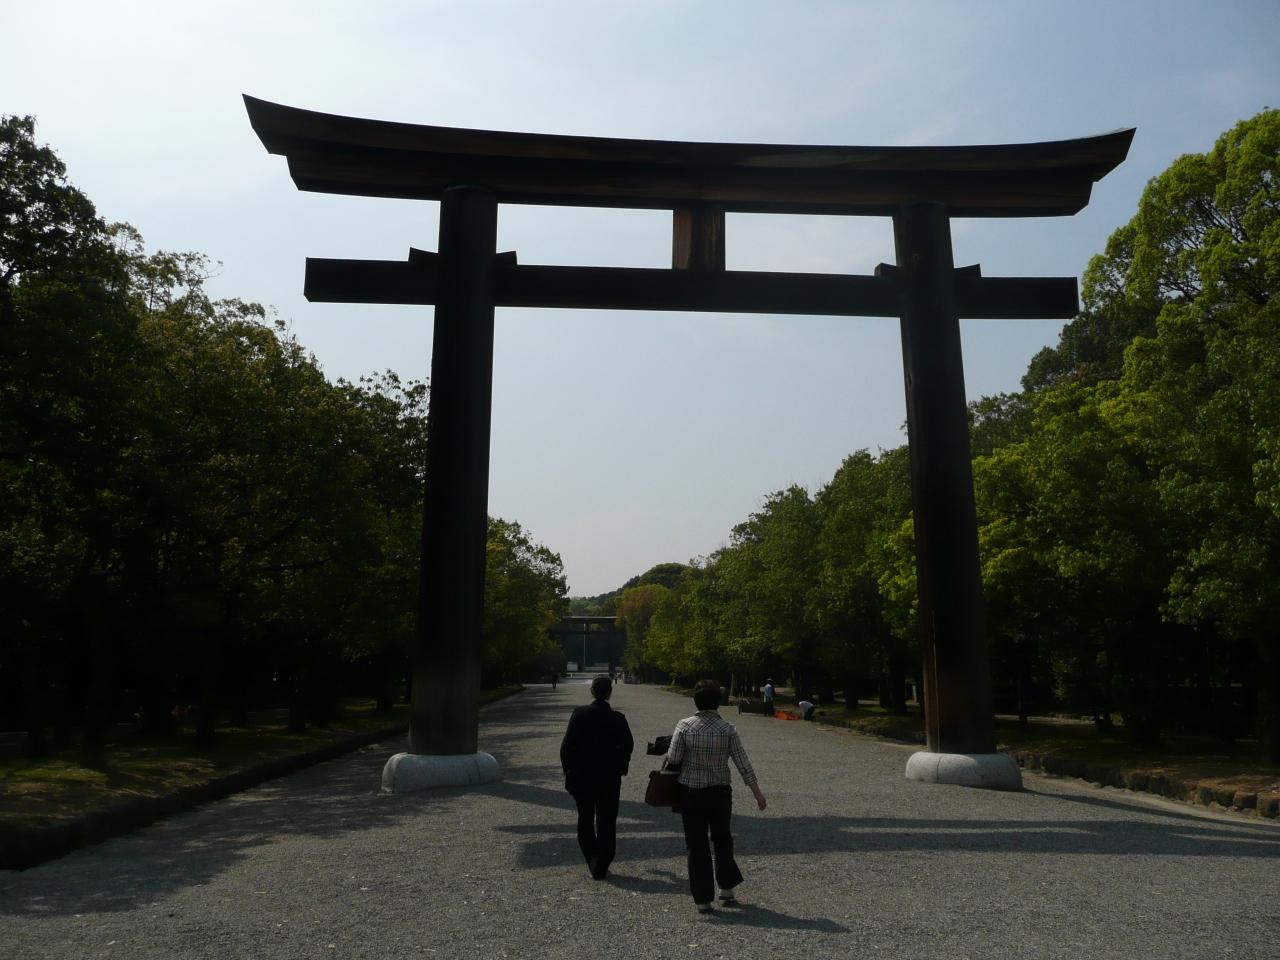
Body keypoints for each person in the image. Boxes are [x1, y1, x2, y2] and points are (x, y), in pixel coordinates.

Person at [665, 679, 767, 914]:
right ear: (718, 703)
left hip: (692, 792)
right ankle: (727, 887)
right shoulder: (728, 729)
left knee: (697, 844)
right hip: (721, 792)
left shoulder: (684, 726)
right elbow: (743, 764)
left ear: (696, 701)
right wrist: (757, 793)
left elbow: (674, 759)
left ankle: (702, 899)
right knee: (722, 838)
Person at [559, 674, 634, 880]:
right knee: (607, 820)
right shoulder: (618, 718)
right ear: (610, 692)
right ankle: (601, 861)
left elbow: (567, 747)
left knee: (585, 818)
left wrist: (568, 771)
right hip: (609, 777)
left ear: (592, 691)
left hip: (582, 776)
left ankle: (592, 857)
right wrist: (622, 765)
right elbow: (627, 745)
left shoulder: (579, 714)